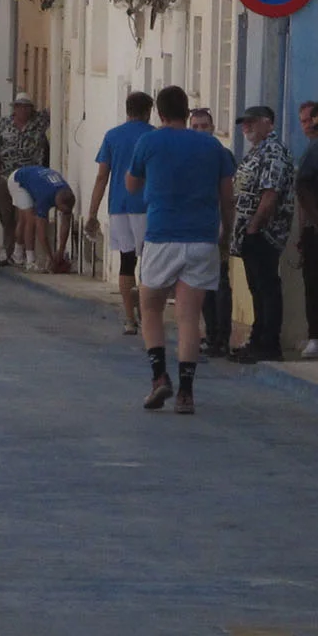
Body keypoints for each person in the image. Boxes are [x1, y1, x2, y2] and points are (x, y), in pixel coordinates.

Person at [124, 87, 234, 416]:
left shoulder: (148, 142)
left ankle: (159, 377)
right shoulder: (214, 147)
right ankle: (186, 393)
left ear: (159, 113)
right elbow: (227, 198)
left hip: (162, 235)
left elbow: (131, 184)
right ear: (188, 112)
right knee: (189, 317)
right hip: (202, 238)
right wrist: (226, 233)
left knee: (151, 308)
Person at [85, 92, 157, 334]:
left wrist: (92, 213)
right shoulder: (154, 136)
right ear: (149, 111)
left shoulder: (112, 136)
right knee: (150, 263)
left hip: (119, 207)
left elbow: (101, 176)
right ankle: (148, 316)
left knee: (127, 262)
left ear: (127, 110)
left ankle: (129, 318)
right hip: (147, 206)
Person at [231, 104, 295, 363]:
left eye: (252, 122)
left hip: (264, 234)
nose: (246, 127)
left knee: (266, 287)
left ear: (268, 122)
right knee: (257, 288)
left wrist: (254, 228)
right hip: (251, 232)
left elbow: (270, 194)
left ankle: (268, 344)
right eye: (244, 123)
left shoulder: (273, 152)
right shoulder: (258, 151)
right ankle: (257, 341)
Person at [186, 109, 240, 357]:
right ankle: (211, 334)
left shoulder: (221, 154)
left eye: (203, 126)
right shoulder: (187, 155)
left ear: (212, 127)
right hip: (195, 228)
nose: (199, 130)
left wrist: (225, 230)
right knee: (203, 285)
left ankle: (221, 337)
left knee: (220, 283)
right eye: (194, 126)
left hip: (214, 224)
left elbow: (227, 196)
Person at [0, 93, 49, 267]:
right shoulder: (4, 124)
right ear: (14, 108)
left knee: (24, 216)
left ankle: (21, 253)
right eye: (19, 106)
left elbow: (52, 110)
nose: (22, 109)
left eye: (26, 106)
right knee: (7, 217)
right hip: (5, 175)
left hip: (28, 178)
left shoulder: (38, 124)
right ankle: (9, 252)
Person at [296, 99, 318, 360]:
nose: (316, 130)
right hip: (315, 229)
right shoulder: (316, 150)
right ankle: (315, 335)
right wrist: (317, 223)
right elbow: (302, 188)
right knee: (313, 284)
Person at [9, 163, 75, 274]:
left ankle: (17, 253)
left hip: (33, 175)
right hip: (17, 180)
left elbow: (66, 223)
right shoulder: (44, 197)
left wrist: (60, 251)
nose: (62, 213)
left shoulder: (67, 194)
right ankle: (30, 260)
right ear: (57, 203)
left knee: (25, 217)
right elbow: (41, 232)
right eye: (61, 210)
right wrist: (51, 257)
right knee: (29, 219)